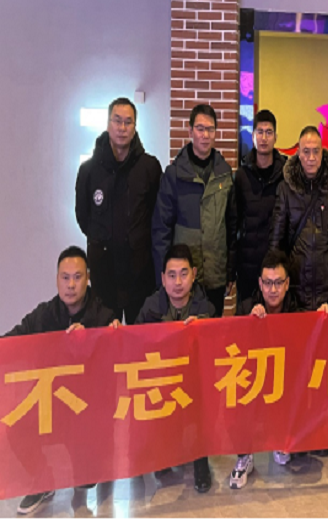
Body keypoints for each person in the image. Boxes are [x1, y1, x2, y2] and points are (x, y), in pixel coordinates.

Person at [6, 246, 118, 516]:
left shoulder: (103, 316)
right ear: (56, 279)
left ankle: (94, 460)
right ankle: (42, 480)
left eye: (77, 277)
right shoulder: (44, 314)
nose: (70, 285)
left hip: (86, 409)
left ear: (88, 278)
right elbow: (13, 340)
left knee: (86, 479)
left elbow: (116, 366)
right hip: (51, 402)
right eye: (65, 277)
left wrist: (95, 338)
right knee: (15, 428)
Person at [134, 244, 215, 493]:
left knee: (201, 403)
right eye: (171, 275)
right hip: (163, 379)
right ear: (162, 278)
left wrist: (203, 330)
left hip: (195, 381)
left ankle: (201, 461)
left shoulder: (207, 308)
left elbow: (218, 350)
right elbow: (134, 344)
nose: (178, 282)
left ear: (194, 274)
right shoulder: (150, 308)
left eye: (183, 274)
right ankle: (164, 454)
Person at [75, 97, 162, 324]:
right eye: (117, 121)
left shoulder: (149, 167)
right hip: (104, 273)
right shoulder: (88, 170)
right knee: (105, 337)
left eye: (128, 122)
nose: (122, 128)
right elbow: (83, 217)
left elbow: (156, 216)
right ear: (108, 124)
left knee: (141, 338)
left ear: (135, 127)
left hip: (139, 273)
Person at [152, 104, 237, 318]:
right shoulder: (174, 175)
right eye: (200, 129)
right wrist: (164, 276)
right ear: (190, 131)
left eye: (210, 129)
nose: (205, 135)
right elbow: (161, 229)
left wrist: (230, 271)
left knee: (213, 332)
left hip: (215, 274)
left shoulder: (225, 174)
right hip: (183, 279)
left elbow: (231, 226)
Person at [229, 250, 299, 487]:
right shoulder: (246, 307)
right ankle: (244, 456)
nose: (273, 289)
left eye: (278, 282)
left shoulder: (296, 311)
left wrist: (322, 318)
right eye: (268, 283)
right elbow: (231, 347)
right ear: (260, 283)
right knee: (237, 389)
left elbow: (308, 344)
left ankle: (281, 439)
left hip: (282, 378)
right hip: (253, 377)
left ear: (287, 284)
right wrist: (249, 325)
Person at [267, 125, 328, 311]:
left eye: (316, 151)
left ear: (322, 153)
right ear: (298, 153)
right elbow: (276, 241)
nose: (311, 158)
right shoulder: (285, 189)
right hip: (296, 286)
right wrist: (275, 282)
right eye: (306, 152)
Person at [234, 109, 287, 303]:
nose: (264, 138)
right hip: (247, 267)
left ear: (275, 137)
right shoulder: (241, 175)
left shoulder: (286, 174)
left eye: (269, 132)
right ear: (253, 136)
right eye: (260, 132)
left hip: (277, 267)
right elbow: (234, 222)